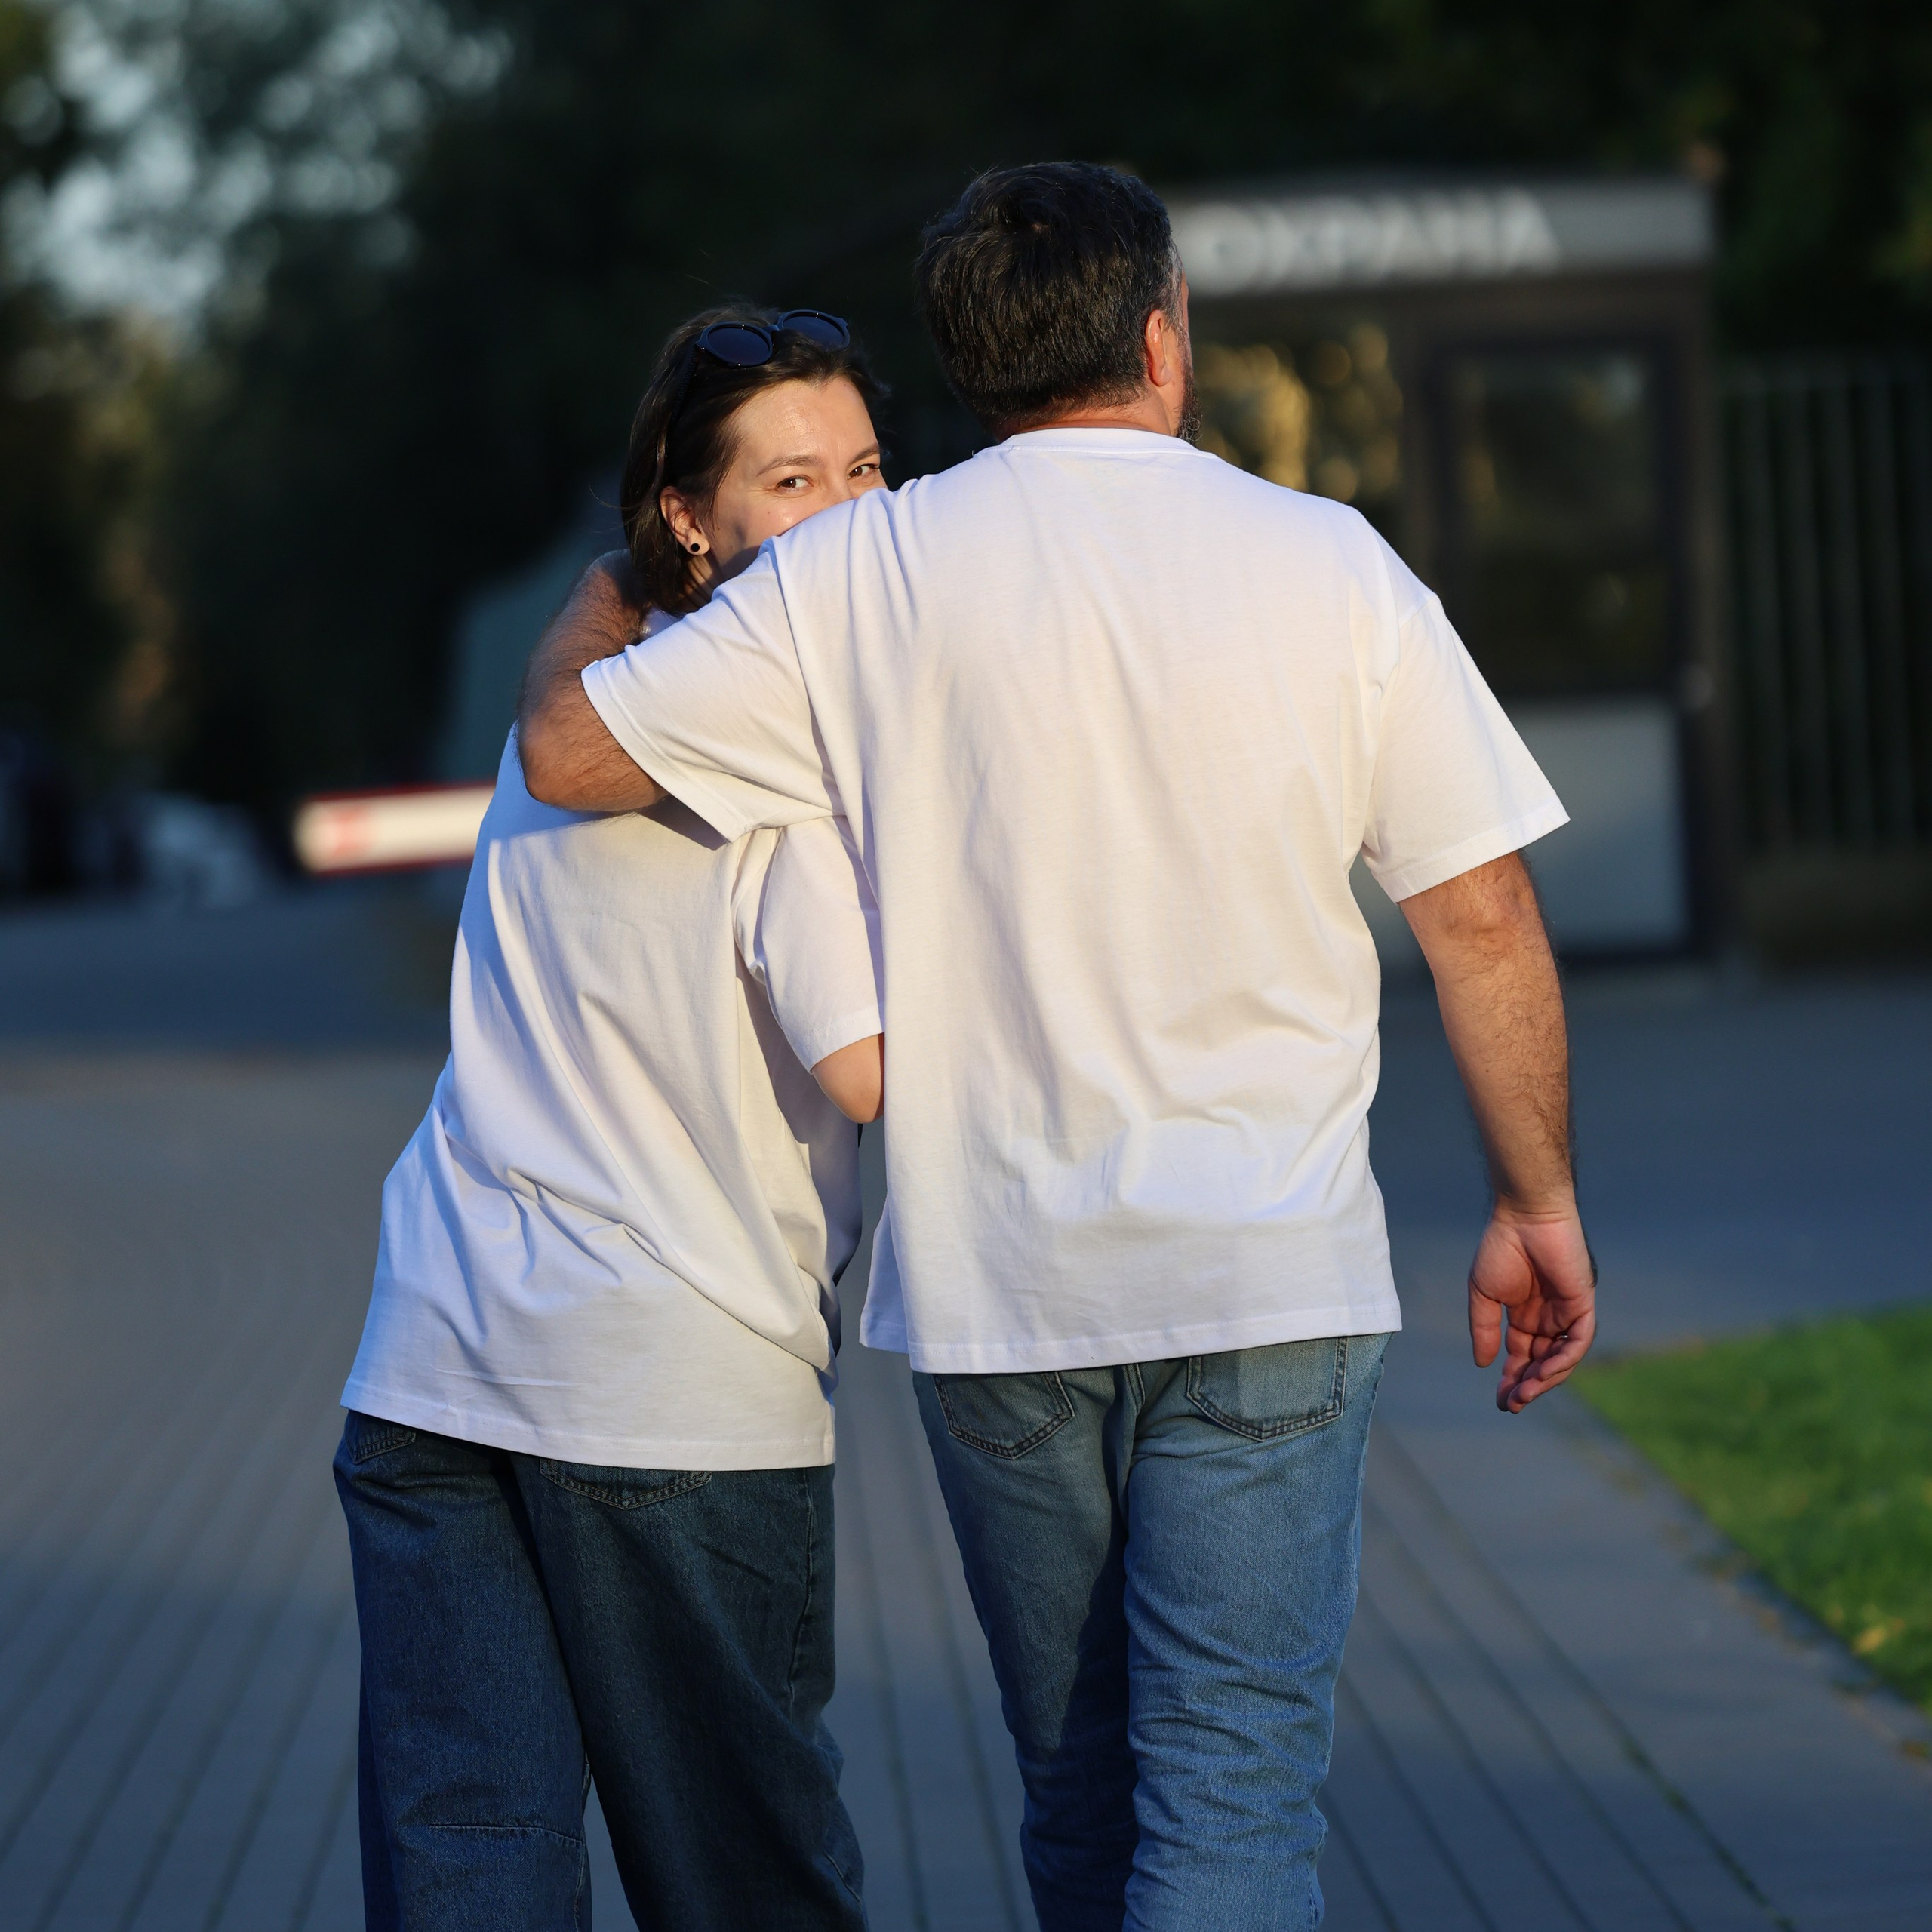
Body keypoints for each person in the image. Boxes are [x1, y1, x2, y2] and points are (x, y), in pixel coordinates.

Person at [518, 163, 1598, 1932]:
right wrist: (1531, 1197)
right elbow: (1475, 914)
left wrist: (594, 594)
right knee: (1231, 1787)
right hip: (1266, 1273)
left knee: (1081, 1791)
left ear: (969, 369)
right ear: (1161, 339)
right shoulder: (1328, 565)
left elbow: (571, 758)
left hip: (995, 1293)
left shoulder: (857, 575)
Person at [334, 305, 892, 1932]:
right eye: (791, 480)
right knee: (749, 1891)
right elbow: (867, 1069)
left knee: (470, 1873)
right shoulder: (783, 745)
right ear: (687, 514)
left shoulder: (574, 702)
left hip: (437, 1367)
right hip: (674, 1398)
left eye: (866, 466)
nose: (849, 512)